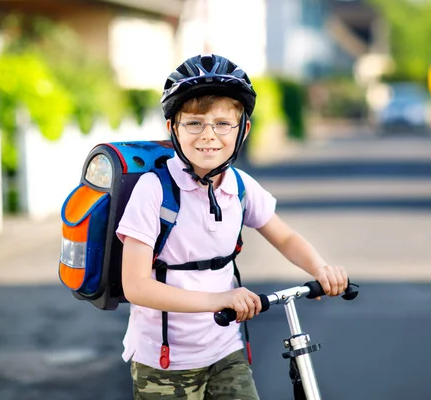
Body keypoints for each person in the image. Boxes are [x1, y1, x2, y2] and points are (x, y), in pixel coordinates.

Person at [116, 54, 349, 399]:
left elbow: (284, 236)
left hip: (226, 350)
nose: (208, 135)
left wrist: (322, 269)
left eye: (223, 123)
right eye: (194, 123)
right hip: (165, 362)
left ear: (243, 130)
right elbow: (135, 286)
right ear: (173, 129)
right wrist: (218, 299)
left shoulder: (239, 186)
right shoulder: (153, 190)